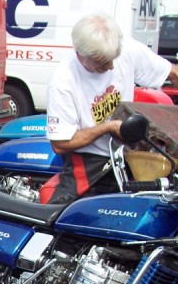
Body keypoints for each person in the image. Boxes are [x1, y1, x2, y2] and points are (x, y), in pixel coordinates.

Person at [46, 12, 178, 204]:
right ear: (80, 55)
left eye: (113, 59)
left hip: (129, 153)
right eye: (102, 62)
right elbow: (60, 144)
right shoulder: (64, 80)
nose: (110, 67)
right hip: (91, 159)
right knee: (67, 216)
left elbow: (172, 73)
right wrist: (107, 128)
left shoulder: (127, 49)